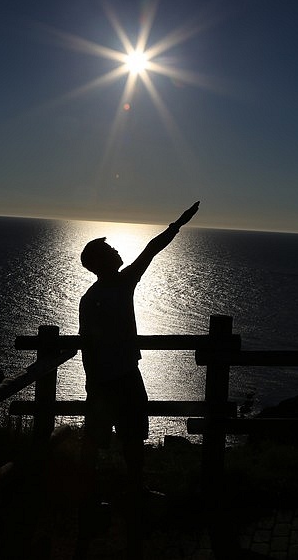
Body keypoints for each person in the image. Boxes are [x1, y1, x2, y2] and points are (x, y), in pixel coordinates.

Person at [77, 201, 200, 501]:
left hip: (114, 377)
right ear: (101, 262)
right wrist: (178, 224)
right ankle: (108, 492)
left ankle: (108, 491)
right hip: (117, 378)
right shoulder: (109, 290)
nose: (117, 252)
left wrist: (177, 225)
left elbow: (151, 249)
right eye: (110, 251)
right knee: (116, 438)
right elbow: (150, 249)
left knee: (115, 437)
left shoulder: (105, 291)